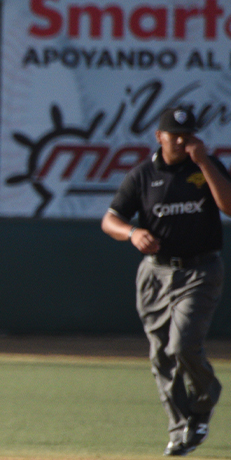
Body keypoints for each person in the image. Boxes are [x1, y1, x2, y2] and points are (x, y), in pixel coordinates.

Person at [101, 106, 231, 456]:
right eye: (174, 133)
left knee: (182, 345)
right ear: (159, 137)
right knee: (161, 355)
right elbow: (110, 220)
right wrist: (131, 232)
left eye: (187, 133)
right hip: (156, 274)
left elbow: (230, 206)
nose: (181, 139)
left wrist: (204, 163)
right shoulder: (143, 175)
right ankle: (180, 428)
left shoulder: (206, 167)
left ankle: (204, 399)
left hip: (200, 271)